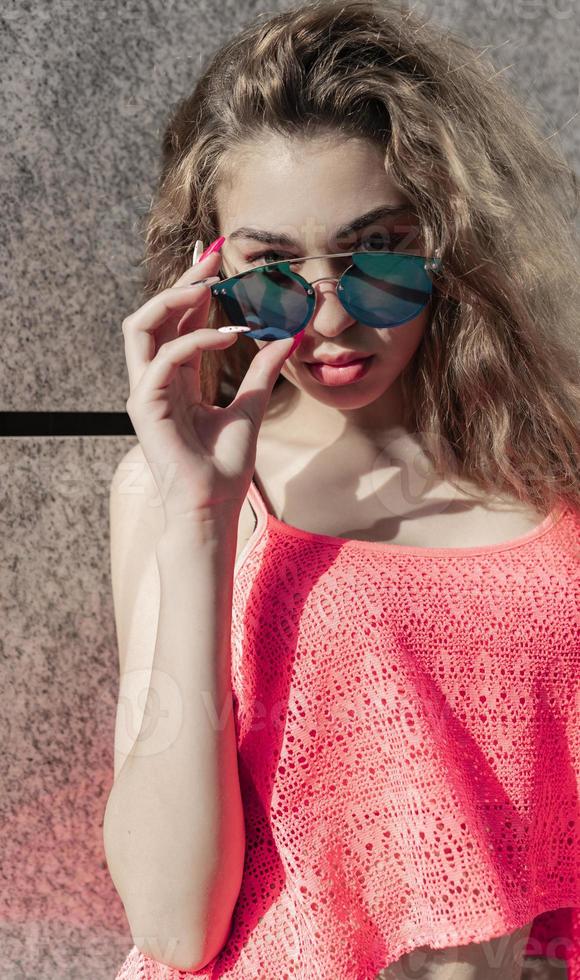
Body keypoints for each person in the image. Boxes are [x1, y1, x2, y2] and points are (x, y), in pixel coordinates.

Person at [103, 1, 580, 977]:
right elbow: (170, 921)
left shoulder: (554, 473)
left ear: (445, 244)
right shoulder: (172, 492)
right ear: (208, 271)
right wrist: (202, 515)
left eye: (376, 260)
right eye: (271, 274)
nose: (326, 317)